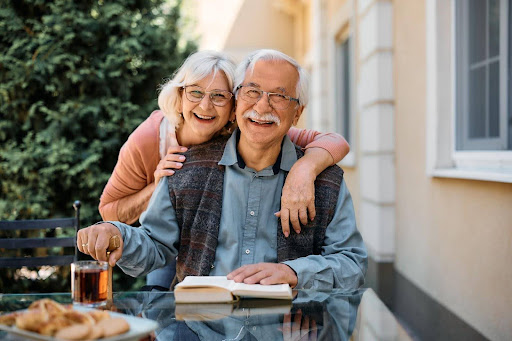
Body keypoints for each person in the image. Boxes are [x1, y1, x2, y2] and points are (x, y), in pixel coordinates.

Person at [79, 49, 367, 290]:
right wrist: (117, 233)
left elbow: (352, 264)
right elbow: (155, 244)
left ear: (297, 113)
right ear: (238, 99)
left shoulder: (326, 180)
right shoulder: (183, 166)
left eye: (279, 96)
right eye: (252, 91)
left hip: (290, 327)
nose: (262, 106)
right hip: (199, 329)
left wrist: (296, 273)